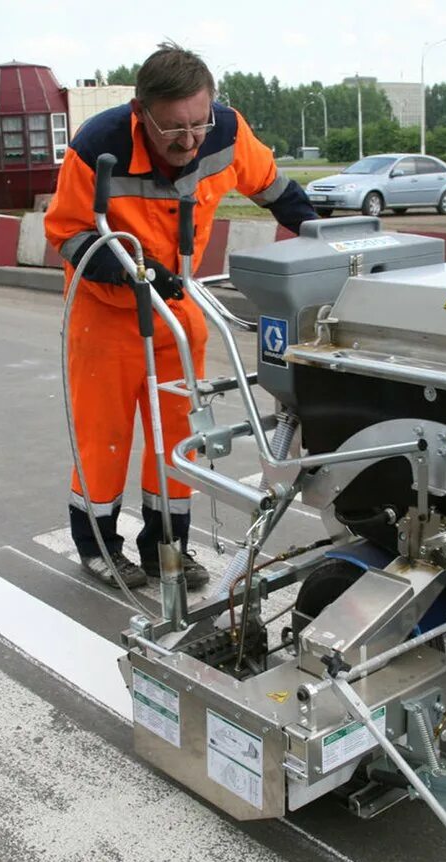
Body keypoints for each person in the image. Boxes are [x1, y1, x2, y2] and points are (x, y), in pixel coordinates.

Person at [45, 42, 316, 589]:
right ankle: (97, 546)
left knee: (176, 436)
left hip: (176, 309)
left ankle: (166, 547)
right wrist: (124, 270)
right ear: (140, 113)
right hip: (106, 314)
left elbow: (275, 189)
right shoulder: (98, 146)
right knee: (106, 437)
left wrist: (320, 234)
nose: (189, 140)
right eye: (172, 130)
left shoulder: (227, 132)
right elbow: (67, 234)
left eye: (198, 123)